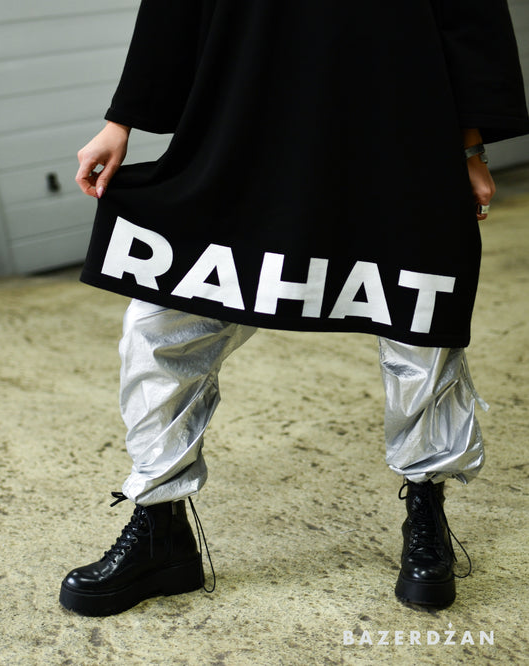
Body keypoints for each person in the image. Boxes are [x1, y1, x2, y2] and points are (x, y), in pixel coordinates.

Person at [59, 0, 529, 616]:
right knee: (159, 324)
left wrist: (470, 148)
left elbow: (469, 11)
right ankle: (160, 528)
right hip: (243, 126)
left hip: (396, 125)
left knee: (418, 321)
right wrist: (122, 121)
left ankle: (426, 510)